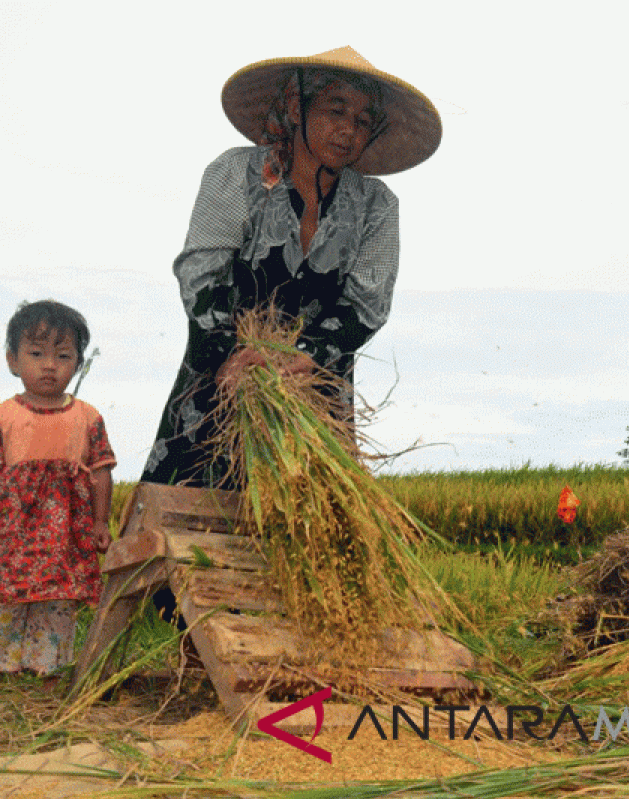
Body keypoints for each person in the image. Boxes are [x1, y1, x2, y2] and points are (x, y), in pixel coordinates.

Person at [141, 46, 442, 489]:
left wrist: (306, 359)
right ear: (297, 107)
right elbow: (201, 272)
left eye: (362, 121)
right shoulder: (237, 174)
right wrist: (234, 355)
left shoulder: (376, 206)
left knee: (307, 521)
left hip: (315, 393)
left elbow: (367, 305)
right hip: (220, 380)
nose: (348, 131)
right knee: (189, 520)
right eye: (335, 111)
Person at [0, 300, 116, 686]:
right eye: (36, 354)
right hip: (12, 535)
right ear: (13, 360)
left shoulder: (88, 418)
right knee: (3, 600)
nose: (49, 365)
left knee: (58, 603)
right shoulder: (0, 418)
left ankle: (49, 673)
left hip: (65, 540)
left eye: (63, 356)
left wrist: (100, 521)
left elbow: (102, 474)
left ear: (77, 363)